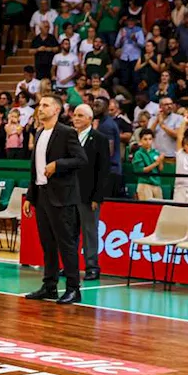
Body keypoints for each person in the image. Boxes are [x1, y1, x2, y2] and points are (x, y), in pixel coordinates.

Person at [22, 93, 88, 304]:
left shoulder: (67, 133)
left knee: (67, 244)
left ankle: (73, 288)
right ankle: (49, 285)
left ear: (57, 110)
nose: (40, 108)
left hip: (62, 197)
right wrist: (30, 197)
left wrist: (58, 165)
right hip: (42, 196)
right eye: (40, 105)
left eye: (45, 105)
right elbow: (35, 169)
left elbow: (80, 159)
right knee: (47, 244)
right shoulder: (40, 132)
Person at [71, 104, 108, 281]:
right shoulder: (69, 137)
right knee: (70, 232)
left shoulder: (99, 139)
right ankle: (71, 266)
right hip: (69, 194)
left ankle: (92, 267)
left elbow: (103, 170)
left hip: (88, 195)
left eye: (80, 116)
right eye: (75, 115)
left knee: (90, 232)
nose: (76, 118)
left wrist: (97, 196)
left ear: (89, 119)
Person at [131, 128, 165, 200]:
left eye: (150, 139)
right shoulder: (138, 154)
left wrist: (161, 161)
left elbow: (160, 169)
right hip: (144, 184)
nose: (148, 142)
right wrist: (156, 163)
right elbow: (141, 170)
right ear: (140, 140)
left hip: (156, 184)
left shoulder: (156, 152)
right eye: (145, 139)